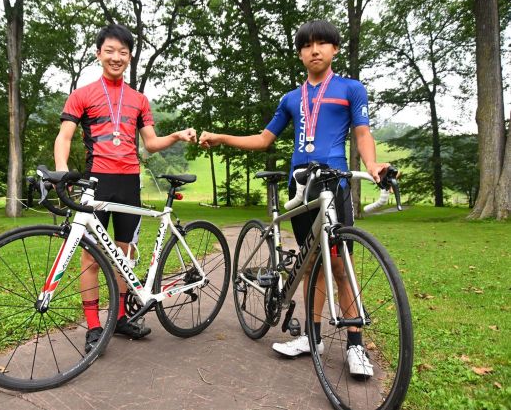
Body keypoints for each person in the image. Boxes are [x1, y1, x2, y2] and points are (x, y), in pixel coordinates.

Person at [199, 20, 388, 377]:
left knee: (340, 266)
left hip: (335, 185)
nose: (314, 50)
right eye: (307, 45)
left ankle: (355, 345)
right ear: (300, 53)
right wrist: (222, 137)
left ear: (334, 49)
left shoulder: (351, 89)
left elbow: (362, 134)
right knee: (309, 264)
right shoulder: (290, 99)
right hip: (300, 185)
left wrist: (373, 163)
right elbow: (263, 139)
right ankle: (312, 338)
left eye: (322, 44)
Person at [55, 23, 197, 352]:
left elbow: (150, 143)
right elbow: (64, 136)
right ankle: (93, 328)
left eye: (123, 52)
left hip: (128, 181)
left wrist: (175, 136)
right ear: (98, 54)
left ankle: (119, 319)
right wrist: (62, 173)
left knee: (124, 256)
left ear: (130, 57)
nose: (116, 57)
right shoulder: (82, 95)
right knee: (90, 258)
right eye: (110, 51)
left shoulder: (139, 100)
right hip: (96, 180)